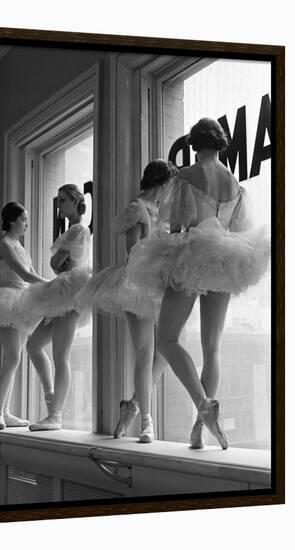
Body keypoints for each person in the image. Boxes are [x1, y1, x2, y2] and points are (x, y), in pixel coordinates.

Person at [126, 118, 271, 449]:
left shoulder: (187, 176)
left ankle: (204, 406)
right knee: (213, 347)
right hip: (226, 258)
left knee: (166, 338)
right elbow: (237, 229)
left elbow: (177, 225)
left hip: (192, 256)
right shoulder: (236, 184)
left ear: (194, 144)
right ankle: (198, 431)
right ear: (220, 143)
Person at [77, 160, 176, 443]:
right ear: (161, 182)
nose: (171, 191)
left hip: (160, 284)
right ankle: (146, 420)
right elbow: (133, 253)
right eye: (170, 185)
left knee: (169, 349)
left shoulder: (162, 211)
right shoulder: (137, 209)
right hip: (137, 283)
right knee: (145, 352)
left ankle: (132, 405)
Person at [0, 202, 48, 430]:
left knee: (14, 358)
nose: (27, 223)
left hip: (23, 299)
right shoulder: (5, 243)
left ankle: (4, 412)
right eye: (24, 219)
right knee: (12, 357)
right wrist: (52, 284)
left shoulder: (19, 245)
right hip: (8, 300)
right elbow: (24, 273)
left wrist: (48, 285)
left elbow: (32, 273)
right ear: (14, 220)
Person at [24, 184, 92, 431]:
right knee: (33, 345)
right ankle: (51, 396)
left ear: (75, 202)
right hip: (62, 291)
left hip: (70, 292)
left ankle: (56, 415)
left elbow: (57, 262)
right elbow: (56, 263)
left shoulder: (79, 229)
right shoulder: (73, 230)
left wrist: (59, 262)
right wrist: (58, 262)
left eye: (63, 200)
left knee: (60, 356)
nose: (59, 205)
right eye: (58, 200)